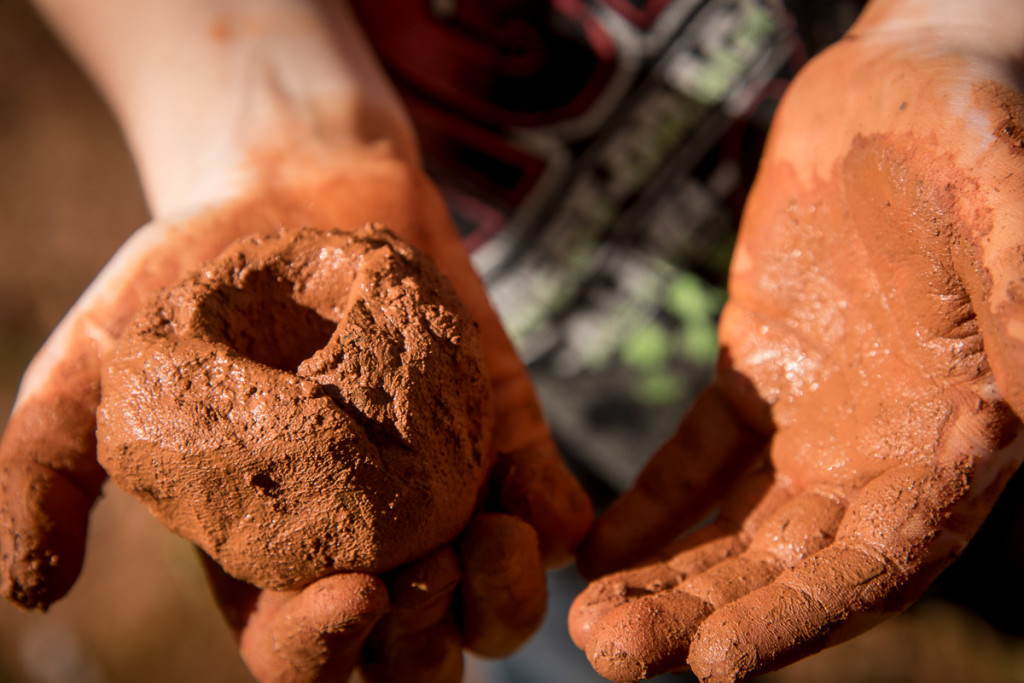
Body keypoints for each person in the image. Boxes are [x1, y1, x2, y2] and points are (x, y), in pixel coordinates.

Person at [1, 1, 1022, 682]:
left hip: (881, 258)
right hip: (538, 406)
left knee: (960, 477)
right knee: (543, 613)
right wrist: (252, 109)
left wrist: (956, 19)